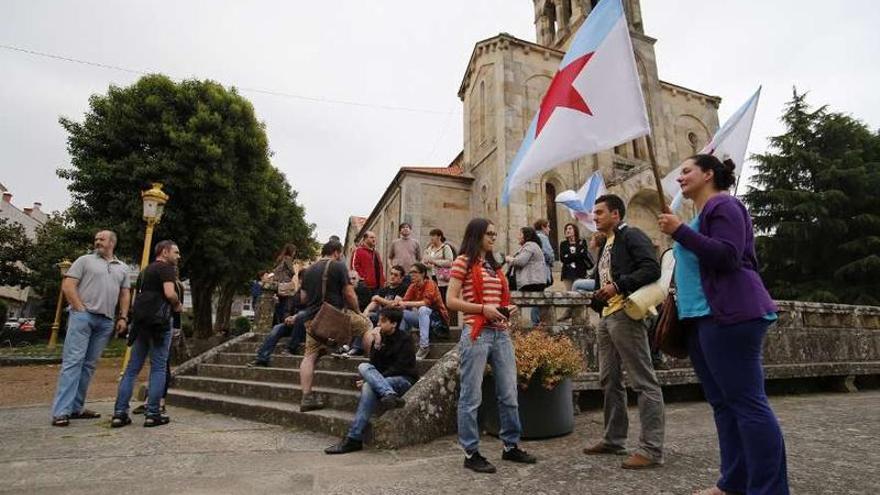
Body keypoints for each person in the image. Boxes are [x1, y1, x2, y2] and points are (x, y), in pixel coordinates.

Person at [658, 154, 788, 495]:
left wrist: (680, 231)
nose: (680, 177)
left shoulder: (724, 206)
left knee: (747, 403)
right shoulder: (703, 214)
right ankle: (733, 483)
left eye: (687, 171)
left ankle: (769, 489)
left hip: (729, 315)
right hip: (702, 319)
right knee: (723, 404)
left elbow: (729, 256)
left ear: (709, 174)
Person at [446, 218, 536, 473]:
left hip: (500, 333)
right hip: (476, 333)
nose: (493, 238)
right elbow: (451, 301)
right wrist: (483, 309)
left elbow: (496, 299)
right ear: (476, 235)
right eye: (489, 234)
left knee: (509, 393)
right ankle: (471, 452)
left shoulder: (494, 266)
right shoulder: (462, 261)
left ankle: (510, 446)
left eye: (495, 234)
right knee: (471, 396)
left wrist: (505, 309)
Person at [583, 194, 665, 470]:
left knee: (643, 381)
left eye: (600, 212)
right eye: (594, 213)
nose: (594, 217)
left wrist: (619, 286)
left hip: (627, 313)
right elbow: (604, 279)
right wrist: (598, 296)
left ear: (616, 214)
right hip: (607, 317)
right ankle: (614, 439)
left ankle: (651, 449)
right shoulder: (606, 244)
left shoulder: (631, 235)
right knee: (609, 379)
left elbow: (652, 268)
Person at [50, 230, 131, 427]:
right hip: (84, 317)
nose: (97, 242)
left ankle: (76, 408)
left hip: (105, 321)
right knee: (73, 362)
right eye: (96, 239)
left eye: (101, 239)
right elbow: (68, 285)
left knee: (88, 365)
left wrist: (123, 316)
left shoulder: (122, 268)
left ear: (112, 242)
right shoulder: (84, 260)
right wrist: (79, 309)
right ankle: (61, 411)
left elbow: (125, 293)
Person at [324, 308, 418, 454]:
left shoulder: (405, 339)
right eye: (379, 320)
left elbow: (401, 367)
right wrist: (377, 344)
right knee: (364, 367)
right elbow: (374, 365)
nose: (379, 324)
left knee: (368, 381)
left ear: (394, 324)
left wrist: (376, 380)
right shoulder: (380, 338)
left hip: (403, 380)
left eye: (383, 321)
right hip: (386, 383)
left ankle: (353, 439)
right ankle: (355, 437)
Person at [111, 240, 182, 428]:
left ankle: (119, 413)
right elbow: (169, 293)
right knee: (158, 367)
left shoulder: (145, 271)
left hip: (141, 322)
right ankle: (153, 412)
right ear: (165, 252)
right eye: (175, 252)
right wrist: (176, 304)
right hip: (159, 323)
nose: (178, 256)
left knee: (132, 369)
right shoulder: (166, 269)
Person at [298, 240, 372, 412]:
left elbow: (303, 298)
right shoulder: (338, 266)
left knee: (309, 356)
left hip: (312, 320)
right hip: (333, 316)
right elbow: (349, 293)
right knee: (367, 327)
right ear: (337, 252)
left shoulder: (308, 270)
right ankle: (372, 372)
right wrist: (358, 311)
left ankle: (306, 397)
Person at [248, 270, 307, 367]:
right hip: (293, 324)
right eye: (301, 279)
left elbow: (313, 310)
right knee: (277, 328)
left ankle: (291, 348)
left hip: (305, 325)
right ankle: (262, 358)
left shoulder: (315, 293)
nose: (302, 281)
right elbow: (289, 309)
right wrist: (288, 318)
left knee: (301, 316)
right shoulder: (297, 293)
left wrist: (296, 316)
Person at [398, 262, 449, 360]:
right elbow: (403, 303)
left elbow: (426, 303)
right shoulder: (413, 286)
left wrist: (404, 303)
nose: (411, 275)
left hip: (439, 321)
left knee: (423, 309)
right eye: (410, 273)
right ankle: (401, 346)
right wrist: (395, 302)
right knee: (403, 313)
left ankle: (424, 346)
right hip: (424, 320)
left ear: (423, 274)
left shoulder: (430, 283)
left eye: (414, 272)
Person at [505, 227, 548, 326]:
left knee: (507, 297)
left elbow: (520, 261)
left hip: (532, 282)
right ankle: (516, 322)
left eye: (520, 234)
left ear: (526, 236)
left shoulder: (530, 245)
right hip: (534, 282)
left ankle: (513, 323)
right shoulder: (530, 246)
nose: (518, 237)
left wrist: (509, 259)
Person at [351, 231, 385, 311]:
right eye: (371, 237)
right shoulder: (358, 251)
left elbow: (380, 268)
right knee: (364, 309)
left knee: (374, 311)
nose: (374, 239)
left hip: (377, 288)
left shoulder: (376, 253)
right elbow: (353, 267)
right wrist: (362, 279)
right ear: (365, 239)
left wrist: (383, 280)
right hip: (365, 288)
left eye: (375, 237)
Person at [423, 228, 455, 303]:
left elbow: (450, 262)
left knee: (443, 299)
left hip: (442, 278)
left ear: (439, 237)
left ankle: (445, 314)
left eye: (433, 236)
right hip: (431, 277)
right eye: (430, 236)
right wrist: (426, 263)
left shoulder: (445, 248)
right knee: (433, 300)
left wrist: (434, 261)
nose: (431, 238)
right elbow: (424, 261)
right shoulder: (429, 249)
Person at [272, 244, 297, 325]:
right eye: (294, 251)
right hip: (285, 285)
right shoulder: (288, 259)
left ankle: (277, 324)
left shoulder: (280, 259)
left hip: (278, 285)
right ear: (291, 251)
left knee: (279, 306)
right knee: (287, 307)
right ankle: (284, 325)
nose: (294, 253)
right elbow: (292, 272)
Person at [533, 218, 555, 285]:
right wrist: (551, 261)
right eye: (548, 226)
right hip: (543, 271)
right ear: (543, 227)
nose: (549, 229)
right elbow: (549, 255)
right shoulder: (543, 237)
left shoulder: (533, 237)